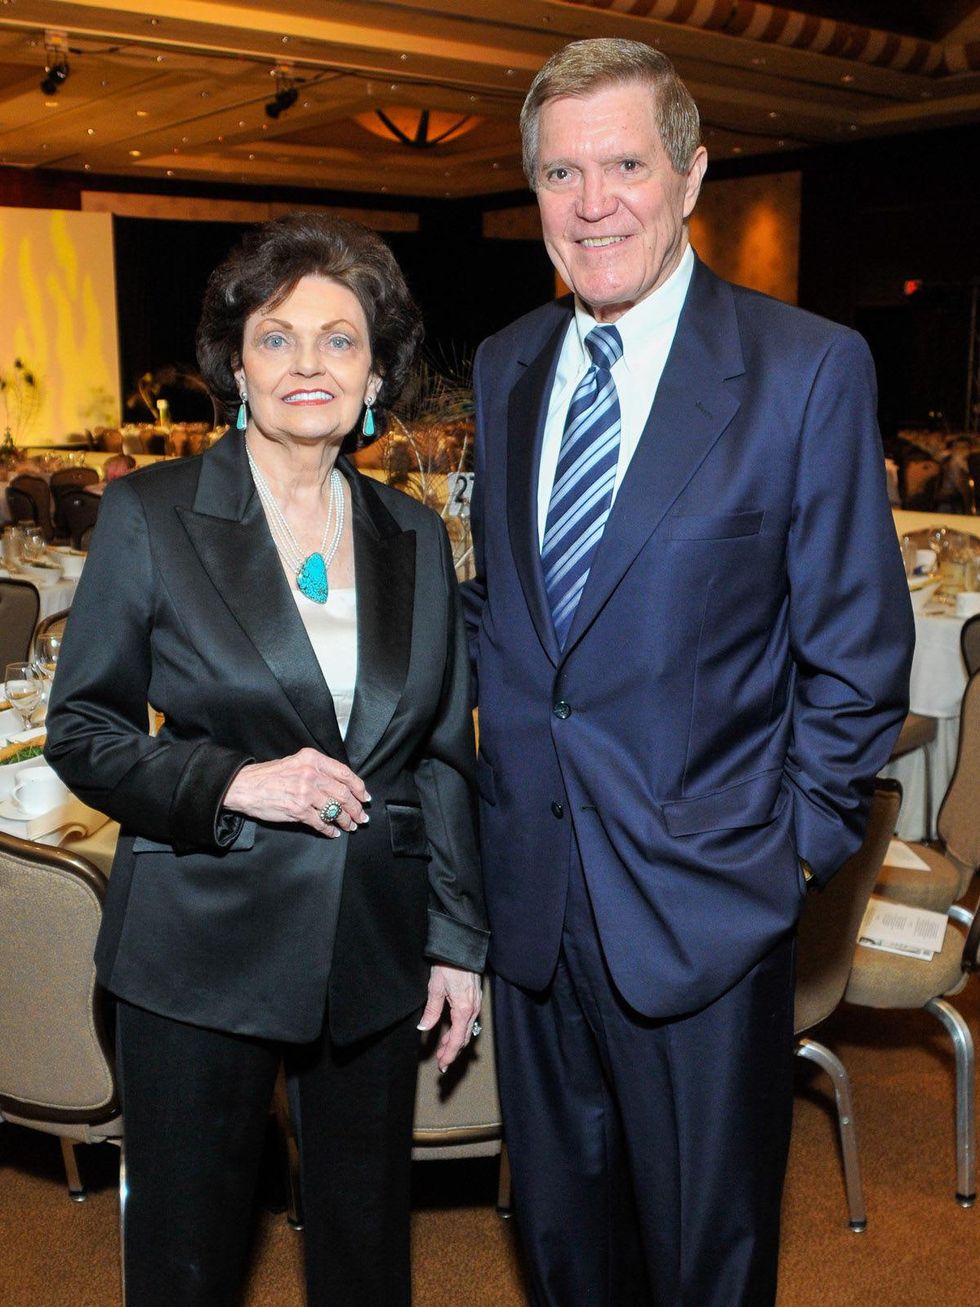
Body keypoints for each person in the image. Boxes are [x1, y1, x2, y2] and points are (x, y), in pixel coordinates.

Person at [460, 38, 913, 1307]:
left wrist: (788, 854)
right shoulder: (508, 365)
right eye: (559, 171)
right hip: (537, 899)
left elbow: (856, 653)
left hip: (705, 908)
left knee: (704, 1263)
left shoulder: (802, 368)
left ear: (691, 173)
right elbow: (512, 614)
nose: (589, 201)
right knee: (559, 1248)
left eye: (621, 164)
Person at [45, 212, 488, 1307]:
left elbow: (438, 751)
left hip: (373, 945)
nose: (308, 364)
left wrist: (455, 937)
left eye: (340, 340)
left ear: (375, 370)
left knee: (364, 1248)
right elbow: (84, 727)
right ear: (234, 362)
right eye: (278, 336)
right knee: (189, 1259)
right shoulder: (153, 513)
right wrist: (236, 780)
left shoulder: (412, 536)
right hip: (199, 940)